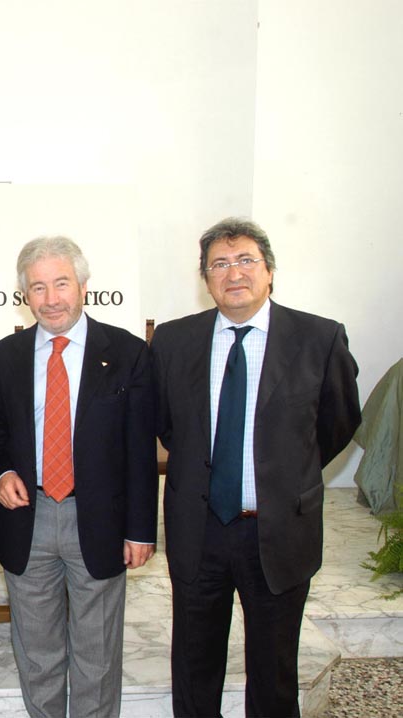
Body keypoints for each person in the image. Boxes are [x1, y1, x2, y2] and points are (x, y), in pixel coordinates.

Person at [152, 217, 361, 717]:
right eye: (219, 264)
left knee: (273, 672)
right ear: (205, 279)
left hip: (279, 530)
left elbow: (338, 423)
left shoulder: (319, 338)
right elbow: (168, 426)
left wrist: (285, 474)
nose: (234, 273)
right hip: (199, 531)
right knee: (194, 668)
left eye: (246, 260)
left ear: (269, 271)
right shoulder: (173, 343)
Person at [0, 236, 158, 717]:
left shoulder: (126, 353)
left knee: (97, 655)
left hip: (99, 518)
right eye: (38, 287)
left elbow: (139, 448)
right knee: (36, 653)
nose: (51, 298)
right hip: (29, 517)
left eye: (61, 283)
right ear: (25, 294)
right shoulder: (5, 357)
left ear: (83, 285)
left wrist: (141, 529)